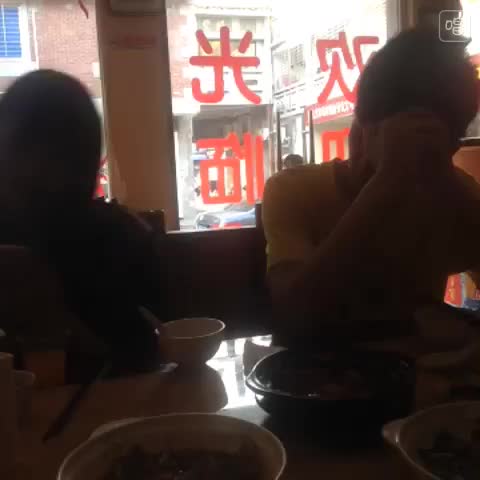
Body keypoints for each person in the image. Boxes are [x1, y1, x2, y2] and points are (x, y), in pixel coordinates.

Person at [262, 28, 480, 346]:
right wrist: (384, 184)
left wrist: (444, 183)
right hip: (317, 370)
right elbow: (294, 317)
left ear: (451, 144)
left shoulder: (452, 192)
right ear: (362, 127)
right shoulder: (293, 190)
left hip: (421, 372)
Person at [0, 70, 164, 375]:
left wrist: (53, 316)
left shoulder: (122, 241)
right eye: (24, 150)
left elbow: (150, 361)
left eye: (61, 154)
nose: (39, 171)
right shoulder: (123, 235)